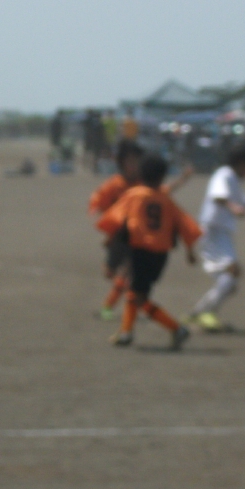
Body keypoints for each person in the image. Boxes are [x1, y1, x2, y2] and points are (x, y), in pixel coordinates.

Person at [97, 153, 202, 350]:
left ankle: (176, 329)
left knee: (139, 297)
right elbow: (184, 224)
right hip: (160, 256)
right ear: (162, 177)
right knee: (135, 291)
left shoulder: (134, 195)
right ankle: (126, 333)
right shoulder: (165, 199)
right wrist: (190, 250)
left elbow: (118, 217)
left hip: (140, 251)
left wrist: (109, 238)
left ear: (141, 174)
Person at [187, 143, 245, 332]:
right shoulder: (224, 174)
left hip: (221, 232)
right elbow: (218, 196)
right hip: (213, 230)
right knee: (232, 272)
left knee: (231, 281)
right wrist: (233, 207)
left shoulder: (232, 178)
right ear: (242, 162)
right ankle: (204, 314)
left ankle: (198, 314)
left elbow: (243, 199)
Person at [89, 139, 146, 321]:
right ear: (122, 162)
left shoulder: (143, 184)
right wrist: (108, 221)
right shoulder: (115, 184)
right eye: (130, 161)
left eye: (137, 161)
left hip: (137, 236)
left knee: (129, 271)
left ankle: (111, 306)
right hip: (119, 236)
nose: (134, 165)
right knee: (110, 272)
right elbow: (100, 200)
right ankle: (132, 301)